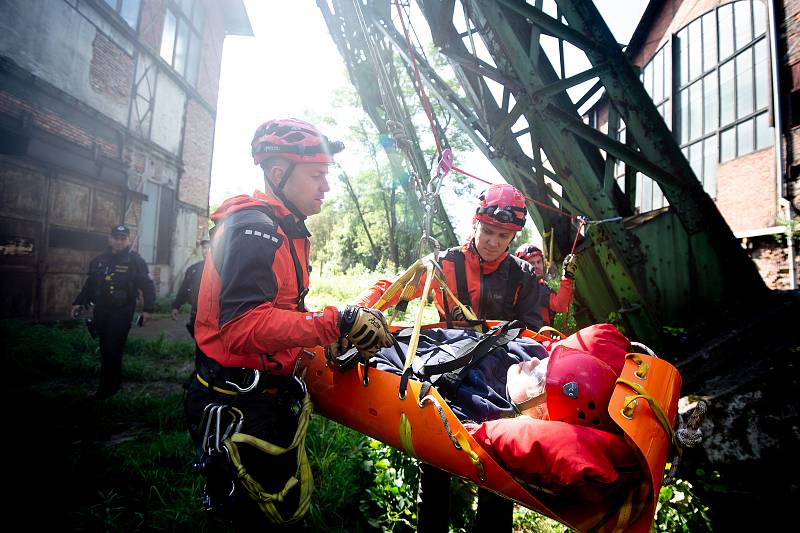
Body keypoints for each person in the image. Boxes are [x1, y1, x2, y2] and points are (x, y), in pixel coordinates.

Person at [184, 118, 393, 528]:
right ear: (279, 174)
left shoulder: (284, 228)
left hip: (266, 397)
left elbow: (282, 311)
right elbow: (244, 327)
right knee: (248, 519)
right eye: (317, 175)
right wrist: (337, 321)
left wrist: (326, 337)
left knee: (275, 512)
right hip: (238, 403)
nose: (326, 187)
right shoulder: (253, 228)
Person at [353, 182, 546, 533]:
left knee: (497, 470)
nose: (492, 241)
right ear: (476, 223)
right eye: (487, 231)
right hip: (444, 372)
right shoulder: (445, 264)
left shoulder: (523, 277)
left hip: (495, 383)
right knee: (435, 464)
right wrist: (358, 311)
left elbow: (531, 332)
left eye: (503, 236)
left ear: (513, 237)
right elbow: (394, 288)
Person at [71, 224, 156, 399]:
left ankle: (107, 389)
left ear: (128, 240)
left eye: (123, 238)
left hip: (122, 313)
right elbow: (89, 285)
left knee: (112, 349)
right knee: (105, 349)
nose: (118, 242)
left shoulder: (135, 262)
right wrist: (78, 303)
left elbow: (148, 286)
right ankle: (113, 385)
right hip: (101, 312)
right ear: (110, 239)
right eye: (116, 238)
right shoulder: (100, 261)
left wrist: (148, 309)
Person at [514, 243, 577, 327]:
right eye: (532, 263)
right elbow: (560, 305)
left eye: (539, 262)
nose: (536, 266)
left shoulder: (538, 285)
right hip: (536, 336)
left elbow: (563, 304)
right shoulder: (535, 287)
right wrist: (567, 277)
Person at [170, 238, 211, 338]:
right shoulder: (193, 269)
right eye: (204, 247)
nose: (206, 250)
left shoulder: (223, 268)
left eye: (210, 247)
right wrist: (176, 306)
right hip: (196, 314)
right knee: (199, 347)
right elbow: (184, 289)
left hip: (215, 317)